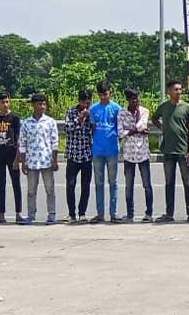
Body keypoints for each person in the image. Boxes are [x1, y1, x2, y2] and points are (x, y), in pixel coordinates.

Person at [152, 80, 189, 223]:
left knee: (187, 182)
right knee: (169, 182)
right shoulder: (164, 107)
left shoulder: (186, 108)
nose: (178, 92)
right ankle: (169, 213)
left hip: (183, 150)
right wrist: (162, 128)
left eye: (180, 89)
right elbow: (154, 118)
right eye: (175, 89)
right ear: (169, 92)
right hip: (168, 150)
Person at [18, 93, 59, 225]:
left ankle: (51, 215)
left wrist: (55, 160)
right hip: (31, 162)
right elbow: (22, 143)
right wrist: (23, 162)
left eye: (44, 104)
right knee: (31, 191)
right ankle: (31, 215)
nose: (42, 106)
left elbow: (55, 142)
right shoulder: (25, 123)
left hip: (46, 160)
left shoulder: (50, 122)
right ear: (33, 105)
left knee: (50, 190)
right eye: (39, 104)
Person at [89, 80, 122, 223]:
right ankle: (100, 213)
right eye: (101, 95)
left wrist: (116, 142)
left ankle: (113, 213)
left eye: (106, 94)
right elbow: (93, 128)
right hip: (97, 150)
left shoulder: (116, 108)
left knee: (113, 182)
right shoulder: (93, 109)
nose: (104, 97)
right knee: (99, 183)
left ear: (110, 93)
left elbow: (120, 128)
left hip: (112, 149)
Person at [118, 88, 153, 222]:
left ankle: (148, 213)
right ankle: (130, 214)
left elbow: (141, 125)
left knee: (147, 184)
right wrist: (134, 131)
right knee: (129, 186)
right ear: (128, 100)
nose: (136, 101)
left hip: (143, 152)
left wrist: (131, 130)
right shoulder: (122, 113)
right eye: (133, 99)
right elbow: (120, 133)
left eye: (138, 98)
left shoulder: (144, 111)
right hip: (129, 153)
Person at [0, 91, 22, 224]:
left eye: (7, 101)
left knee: (16, 184)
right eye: (2, 102)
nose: (5, 104)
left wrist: (17, 158)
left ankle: (18, 213)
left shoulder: (14, 118)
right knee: (1, 184)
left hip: (11, 153)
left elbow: (18, 139)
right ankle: (1, 214)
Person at [63, 88, 94, 224]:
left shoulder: (92, 112)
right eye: (83, 103)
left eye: (88, 103)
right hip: (73, 153)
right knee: (70, 184)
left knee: (85, 185)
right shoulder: (71, 111)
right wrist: (80, 118)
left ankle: (82, 213)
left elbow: (96, 129)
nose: (85, 106)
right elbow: (67, 129)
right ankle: (71, 214)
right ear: (79, 101)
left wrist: (90, 117)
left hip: (87, 154)